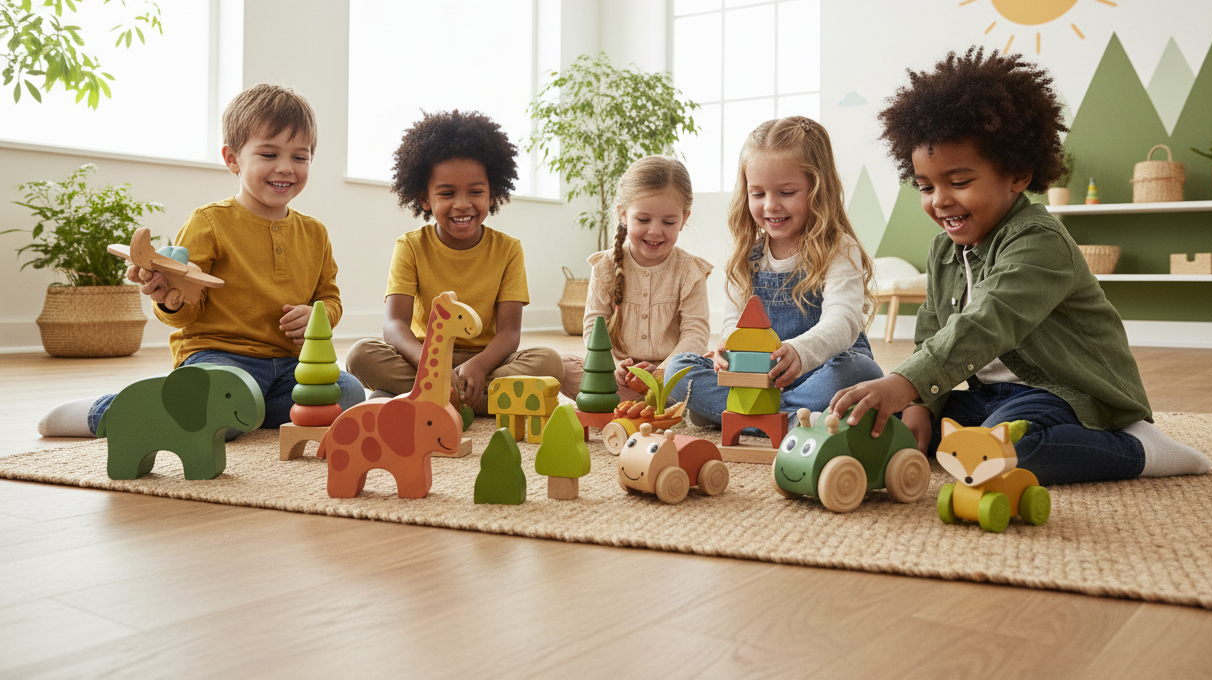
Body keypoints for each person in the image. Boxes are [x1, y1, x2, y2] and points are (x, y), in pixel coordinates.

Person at [831, 47, 1211, 485]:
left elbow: (989, 321)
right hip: (989, 397)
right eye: (925, 186)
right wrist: (919, 406)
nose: (939, 200)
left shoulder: (1039, 241)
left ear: (1017, 174)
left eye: (959, 182)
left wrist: (904, 383)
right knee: (910, 427)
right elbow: (931, 334)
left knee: (1006, 451)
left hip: (1068, 394)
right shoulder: (943, 251)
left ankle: (1139, 449)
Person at [38, 84, 367, 437]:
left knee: (349, 392)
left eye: (299, 158)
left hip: (289, 365)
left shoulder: (315, 233)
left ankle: (238, 414)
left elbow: (329, 299)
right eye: (269, 155)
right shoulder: (209, 223)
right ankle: (104, 412)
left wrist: (317, 316)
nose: (286, 168)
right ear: (232, 159)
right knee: (218, 404)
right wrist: (169, 296)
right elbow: (181, 314)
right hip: (218, 359)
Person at [668, 116, 883, 426]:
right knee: (679, 369)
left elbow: (843, 321)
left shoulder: (838, 249)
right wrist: (727, 351)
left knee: (861, 372)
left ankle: (742, 416)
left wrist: (800, 351)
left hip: (818, 371)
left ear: (817, 189)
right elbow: (733, 323)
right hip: (758, 378)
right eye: (758, 194)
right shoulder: (748, 257)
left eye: (786, 193)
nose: (770, 206)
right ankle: (795, 419)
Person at [345, 110, 563, 415]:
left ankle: (422, 398)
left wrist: (480, 365)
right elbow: (394, 324)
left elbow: (509, 333)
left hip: (486, 363)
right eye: (447, 193)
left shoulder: (509, 249)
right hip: (422, 359)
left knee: (550, 362)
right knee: (359, 355)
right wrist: (433, 367)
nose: (462, 204)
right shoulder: (410, 246)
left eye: (475, 192)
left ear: (492, 194)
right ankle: (482, 401)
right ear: (424, 198)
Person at [560, 156, 712, 401]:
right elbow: (593, 328)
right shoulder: (605, 267)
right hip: (618, 376)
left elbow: (696, 335)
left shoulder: (690, 270)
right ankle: (646, 401)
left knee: (703, 368)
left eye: (669, 221)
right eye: (643, 220)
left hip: (669, 376)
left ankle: (651, 397)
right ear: (623, 214)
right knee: (562, 365)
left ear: (683, 219)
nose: (654, 230)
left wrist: (661, 372)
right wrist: (612, 366)